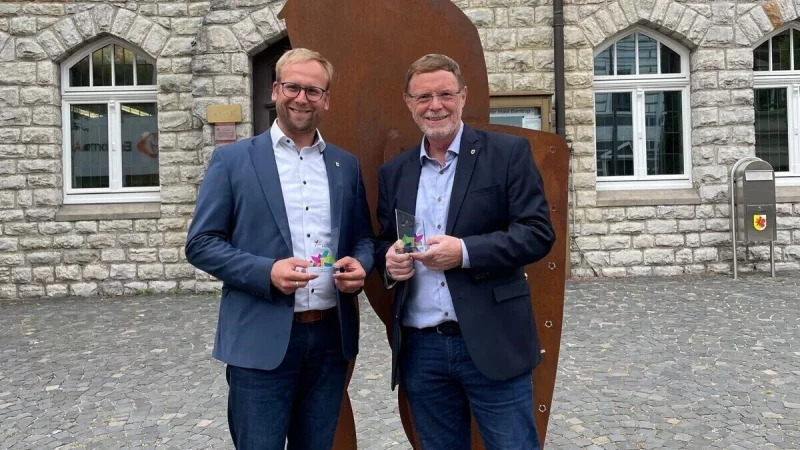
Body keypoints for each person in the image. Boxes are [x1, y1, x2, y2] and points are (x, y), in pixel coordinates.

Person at [186, 48, 374, 450]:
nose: (302, 98)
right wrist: (266, 272)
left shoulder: (345, 165)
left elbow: (363, 237)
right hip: (260, 339)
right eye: (293, 87)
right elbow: (201, 244)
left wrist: (361, 264)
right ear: (275, 91)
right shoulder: (233, 160)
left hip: (329, 339)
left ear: (326, 99)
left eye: (313, 90)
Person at [374, 54, 555, 450]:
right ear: (408, 102)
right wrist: (390, 260)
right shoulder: (396, 172)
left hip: (493, 339)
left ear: (463, 96)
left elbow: (537, 233)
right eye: (423, 97)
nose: (435, 106)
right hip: (422, 348)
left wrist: (465, 252)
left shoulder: (508, 154)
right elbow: (385, 239)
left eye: (445, 94)